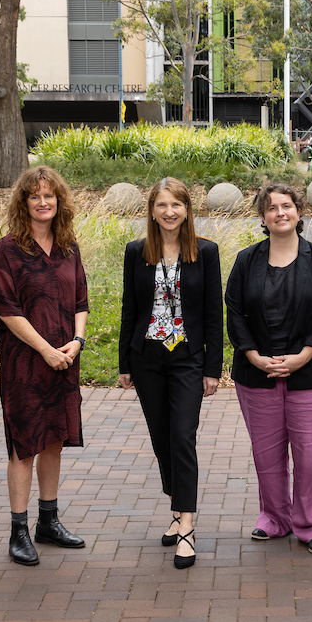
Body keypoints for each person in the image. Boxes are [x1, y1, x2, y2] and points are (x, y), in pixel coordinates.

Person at [226, 184, 312, 555]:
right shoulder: (246, 261)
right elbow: (235, 312)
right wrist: (253, 356)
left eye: (287, 206)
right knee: (267, 455)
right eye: (272, 207)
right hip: (257, 374)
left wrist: (303, 356)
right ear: (262, 217)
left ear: (298, 212)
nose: (280, 212)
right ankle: (274, 519)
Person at [119, 178, 223, 569]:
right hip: (146, 358)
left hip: (187, 357)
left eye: (176, 205)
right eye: (161, 205)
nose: (169, 212)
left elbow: (214, 313)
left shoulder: (206, 252)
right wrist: (124, 363)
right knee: (162, 439)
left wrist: (213, 367)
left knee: (183, 436)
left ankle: (187, 529)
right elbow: (130, 308)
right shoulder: (136, 252)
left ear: (187, 210)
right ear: (151, 210)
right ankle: (177, 508)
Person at [0, 166, 89, 566]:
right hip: (25, 363)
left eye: (50, 195)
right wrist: (46, 349)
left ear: (59, 201)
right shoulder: (8, 249)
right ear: (23, 202)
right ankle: (19, 531)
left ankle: (49, 521)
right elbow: (6, 310)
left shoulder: (69, 247)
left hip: (64, 361)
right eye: (35, 196)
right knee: (24, 445)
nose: (43, 202)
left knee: (53, 439)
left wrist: (77, 342)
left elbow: (81, 299)